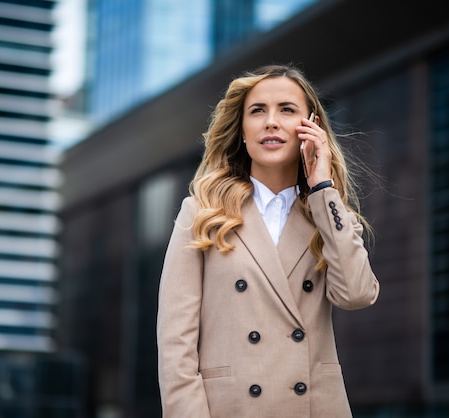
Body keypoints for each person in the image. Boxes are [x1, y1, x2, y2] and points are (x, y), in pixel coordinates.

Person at [156, 64, 380, 418]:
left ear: (311, 127)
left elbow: (356, 294)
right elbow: (175, 344)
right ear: (242, 130)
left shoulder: (330, 215)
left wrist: (323, 188)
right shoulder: (202, 212)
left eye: (287, 110)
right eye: (258, 111)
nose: (271, 122)